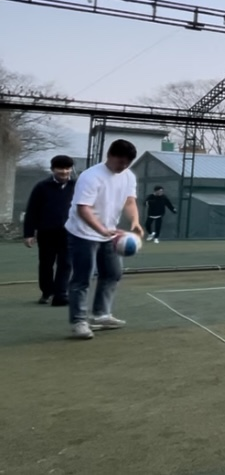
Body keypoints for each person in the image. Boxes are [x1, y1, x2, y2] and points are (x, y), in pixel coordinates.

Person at [64, 140, 144, 339]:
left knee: (113, 273)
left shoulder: (128, 176)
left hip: (109, 233)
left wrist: (135, 221)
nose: (123, 166)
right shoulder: (90, 176)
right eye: (120, 162)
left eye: (128, 163)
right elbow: (83, 209)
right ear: (110, 156)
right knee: (82, 278)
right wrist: (101, 229)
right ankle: (79, 322)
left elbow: (129, 201)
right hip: (82, 233)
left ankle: (101, 315)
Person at [22, 154, 76, 306]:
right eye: (60, 168)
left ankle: (61, 294)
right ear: (52, 169)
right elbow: (32, 211)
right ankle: (47, 292)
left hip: (69, 232)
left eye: (67, 168)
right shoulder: (41, 187)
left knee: (66, 263)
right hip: (47, 232)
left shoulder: (77, 186)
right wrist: (28, 234)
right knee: (46, 264)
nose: (64, 172)